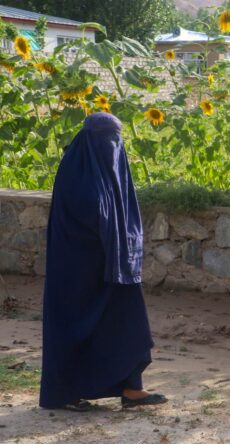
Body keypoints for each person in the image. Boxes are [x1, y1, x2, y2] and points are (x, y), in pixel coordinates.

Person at [39, 112, 167, 411]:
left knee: (127, 320)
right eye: (108, 139)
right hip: (76, 270)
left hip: (114, 267)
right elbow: (88, 210)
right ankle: (65, 393)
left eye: (116, 140)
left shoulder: (113, 167)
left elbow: (124, 212)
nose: (113, 146)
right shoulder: (75, 170)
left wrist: (125, 243)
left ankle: (131, 388)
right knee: (73, 327)